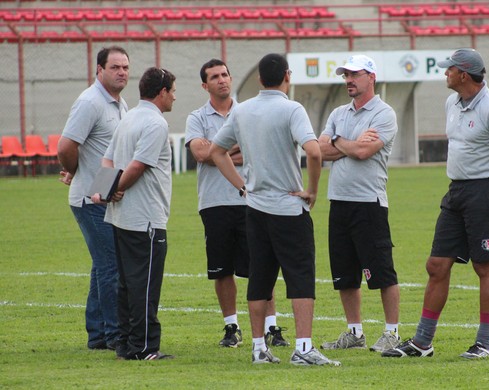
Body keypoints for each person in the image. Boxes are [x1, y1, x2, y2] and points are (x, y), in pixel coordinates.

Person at [382, 48, 489, 359]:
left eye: (449, 69)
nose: (445, 73)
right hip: (456, 191)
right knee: (436, 265)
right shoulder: (451, 102)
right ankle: (422, 342)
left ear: (464, 74)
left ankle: (484, 344)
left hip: (484, 191)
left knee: (483, 266)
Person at [210, 53, 339, 366]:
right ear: (287, 76)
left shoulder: (242, 111)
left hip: (255, 207)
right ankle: (304, 348)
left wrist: (242, 185)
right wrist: (313, 191)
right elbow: (313, 150)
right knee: (301, 278)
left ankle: (258, 349)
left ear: (258, 79)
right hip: (288, 208)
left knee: (260, 278)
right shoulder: (291, 109)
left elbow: (216, 151)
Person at [185, 59, 288, 348]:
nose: (222, 80)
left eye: (225, 74)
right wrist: (230, 151)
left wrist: (218, 151)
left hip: (252, 200)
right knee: (222, 269)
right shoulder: (197, 117)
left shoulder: (248, 112)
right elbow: (202, 154)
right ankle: (232, 327)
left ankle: (272, 327)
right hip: (214, 202)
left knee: (262, 265)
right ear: (205, 85)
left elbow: (253, 150)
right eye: (215, 77)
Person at [318, 54, 401, 353]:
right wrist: (349, 143)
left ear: (371, 77)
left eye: (355, 74)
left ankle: (392, 333)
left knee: (382, 271)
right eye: (346, 75)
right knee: (344, 275)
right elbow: (319, 150)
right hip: (338, 202)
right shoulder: (339, 113)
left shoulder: (384, 113)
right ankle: (355, 333)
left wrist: (339, 142)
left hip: (369, 203)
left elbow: (364, 152)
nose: (349, 80)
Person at [94, 67, 177, 360]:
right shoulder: (156, 124)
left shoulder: (128, 118)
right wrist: (118, 187)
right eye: (173, 91)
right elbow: (138, 166)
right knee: (145, 283)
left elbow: (107, 158)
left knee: (128, 283)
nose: (174, 98)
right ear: (162, 91)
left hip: (122, 216)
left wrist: (106, 191)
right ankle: (145, 347)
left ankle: (127, 344)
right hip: (146, 218)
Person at [57, 46, 129, 351]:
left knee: (103, 265)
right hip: (90, 199)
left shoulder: (118, 102)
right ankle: (114, 335)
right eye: (115, 67)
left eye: (125, 67)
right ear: (99, 70)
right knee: (111, 264)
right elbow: (65, 145)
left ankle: (99, 334)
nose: (122, 72)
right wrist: (73, 169)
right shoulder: (90, 102)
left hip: (105, 196)